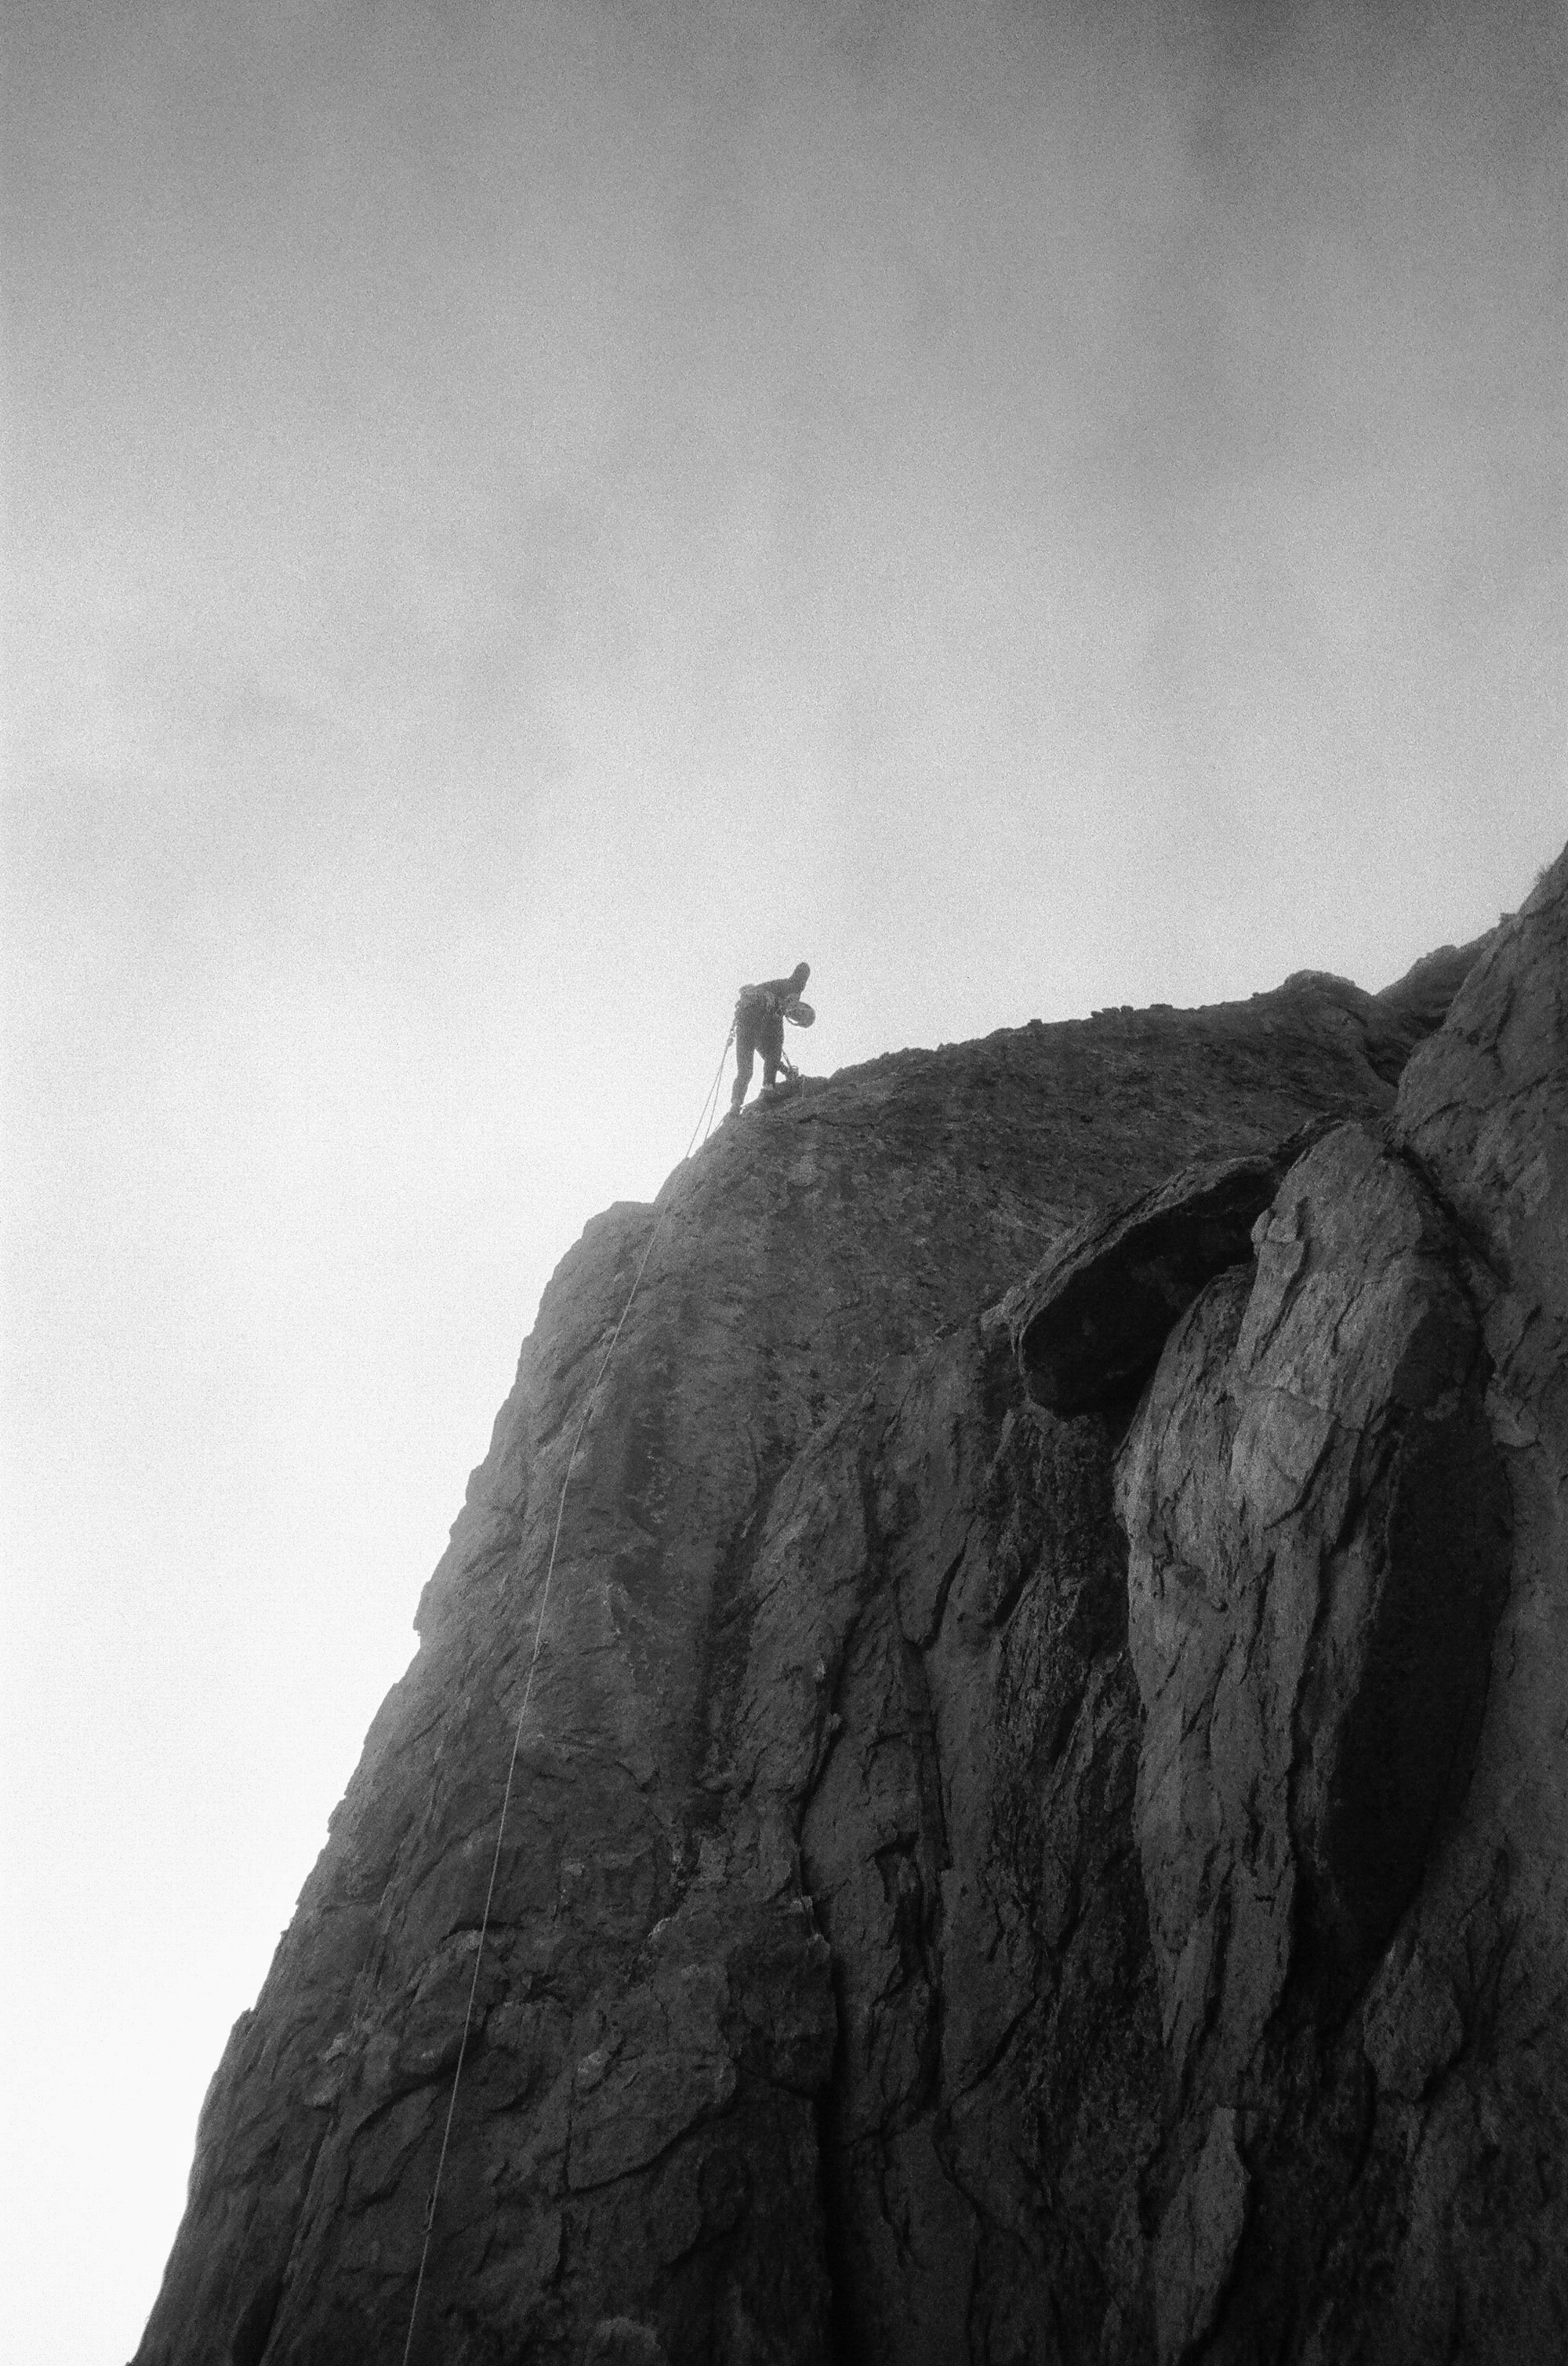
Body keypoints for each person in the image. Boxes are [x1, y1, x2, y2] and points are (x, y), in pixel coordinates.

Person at [729, 962, 811, 1114]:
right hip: (753, 1022)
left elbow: (767, 1054)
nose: (797, 1018)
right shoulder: (793, 991)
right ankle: (768, 1088)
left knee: (745, 1072)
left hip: (745, 1024)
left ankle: (735, 1104)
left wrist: (786, 1071)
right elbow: (772, 1054)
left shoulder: (772, 1005)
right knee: (769, 1052)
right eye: (801, 1017)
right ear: (802, 1007)